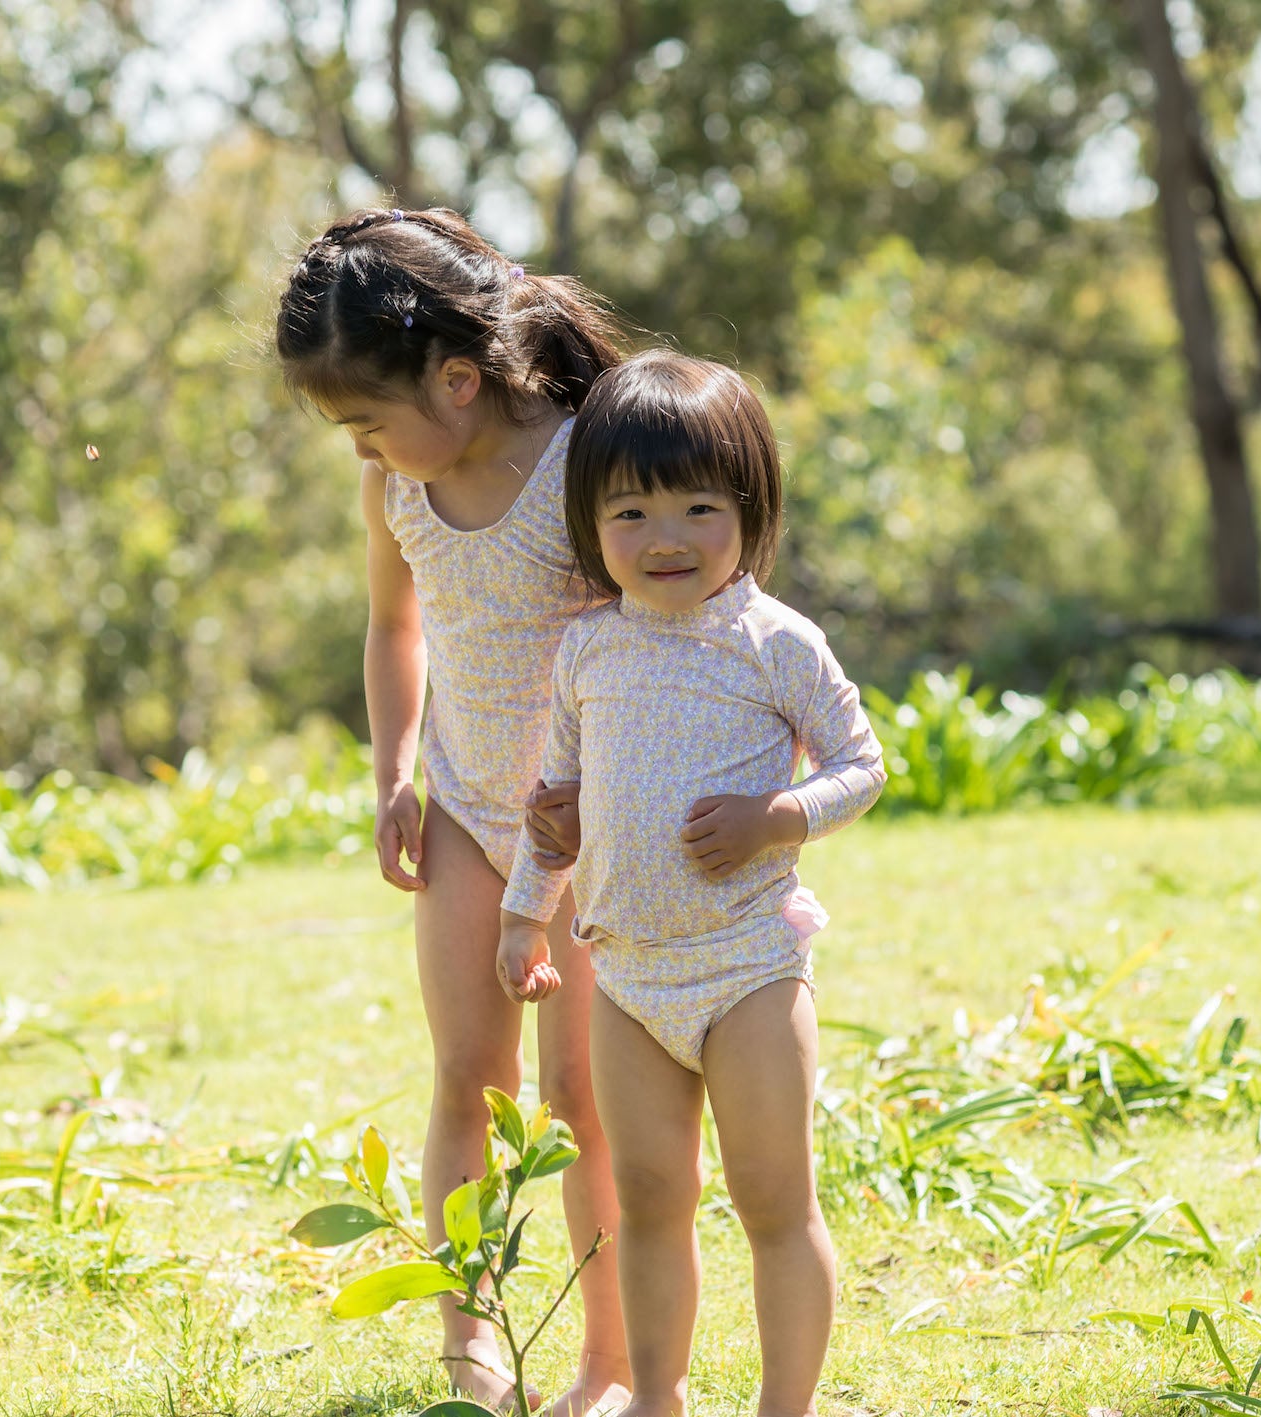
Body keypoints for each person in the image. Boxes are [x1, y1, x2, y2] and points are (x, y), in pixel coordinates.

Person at [274, 207, 631, 1416]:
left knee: (578, 1095)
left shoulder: (587, 456)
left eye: (368, 419)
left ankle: (610, 1363)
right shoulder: (397, 487)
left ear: (459, 379)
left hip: (592, 831)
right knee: (464, 1081)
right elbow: (394, 627)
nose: (361, 448)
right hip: (469, 815)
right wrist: (393, 774)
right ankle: (470, 1352)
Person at [494, 352, 885, 1417]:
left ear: (747, 511)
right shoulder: (586, 650)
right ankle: (656, 1396)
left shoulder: (773, 641)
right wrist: (526, 908)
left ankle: (781, 1407)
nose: (663, 538)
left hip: (748, 968)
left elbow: (862, 764)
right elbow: (559, 801)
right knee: (648, 1199)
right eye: (629, 512)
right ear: (590, 523)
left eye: (697, 507)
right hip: (622, 976)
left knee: (771, 1198)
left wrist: (778, 816)